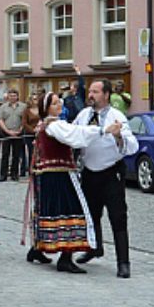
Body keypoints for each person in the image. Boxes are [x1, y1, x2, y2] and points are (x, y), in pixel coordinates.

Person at [24, 92, 111, 273]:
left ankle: (37, 249)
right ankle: (65, 257)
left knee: (48, 210)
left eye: (59, 102)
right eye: (55, 103)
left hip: (47, 174)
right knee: (69, 210)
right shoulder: (55, 125)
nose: (59, 106)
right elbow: (75, 135)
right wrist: (102, 130)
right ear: (47, 108)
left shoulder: (45, 124)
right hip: (58, 175)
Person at [73, 80, 139, 278]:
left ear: (106, 95)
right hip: (89, 172)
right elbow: (74, 134)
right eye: (90, 91)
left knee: (117, 217)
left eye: (95, 92)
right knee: (90, 215)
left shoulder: (116, 116)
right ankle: (94, 248)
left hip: (111, 173)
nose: (90, 95)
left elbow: (132, 146)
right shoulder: (84, 114)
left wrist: (119, 136)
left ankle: (123, 262)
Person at [0, 89, 26, 182]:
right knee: (5, 154)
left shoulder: (23, 106)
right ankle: (3, 175)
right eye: (10, 96)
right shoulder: (3, 107)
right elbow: (0, 120)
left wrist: (20, 129)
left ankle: (14, 174)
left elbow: (24, 119)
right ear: (8, 97)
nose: (12, 97)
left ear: (17, 96)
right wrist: (7, 131)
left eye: (14, 96)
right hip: (6, 133)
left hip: (18, 133)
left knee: (16, 155)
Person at [21, 93, 40, 177]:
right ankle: (31, 169)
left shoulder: (41, 109)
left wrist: (39, 129)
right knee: (31, 152)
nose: (36, 100)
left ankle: (39, 168)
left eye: (37, 98)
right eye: (34, 99)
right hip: (30, 134)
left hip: (39, 134)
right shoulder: (26, 110)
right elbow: (24, 123)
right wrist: (33, 130)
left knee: (39, 152)